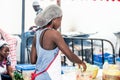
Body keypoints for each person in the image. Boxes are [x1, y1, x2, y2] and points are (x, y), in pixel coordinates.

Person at [30, 4, 87, 80]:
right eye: (60, 20)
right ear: (54, 19)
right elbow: (70, 55)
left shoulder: (37, 34)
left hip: (38, 76)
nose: (60, 23)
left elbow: (33, 60)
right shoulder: (54, 34)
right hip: (50, 76)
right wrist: (81, 62)